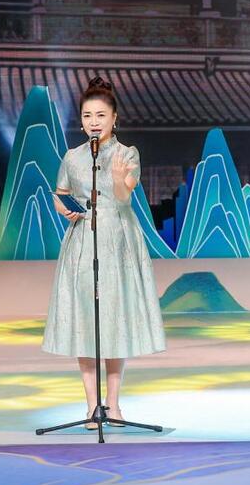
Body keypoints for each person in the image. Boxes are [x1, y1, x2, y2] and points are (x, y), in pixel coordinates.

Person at [42, 77, 166, 429]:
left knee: (113, 318)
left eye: (100, 115)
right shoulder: (73, 157)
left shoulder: (127, 154)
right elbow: (60, 194)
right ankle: (91, 406)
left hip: (117, 238)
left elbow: (124, 198)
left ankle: (113, 404)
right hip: (83, 238)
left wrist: (116, 179)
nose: (93, 122)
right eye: (87, 115)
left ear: (114, 118)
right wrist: (64, 209)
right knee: (86, 318)